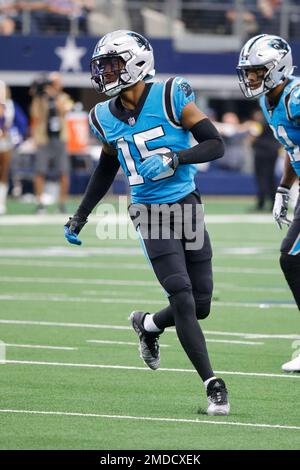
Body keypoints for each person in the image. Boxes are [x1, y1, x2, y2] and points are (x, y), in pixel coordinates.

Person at [64, 30, 230, 415]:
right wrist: (81, 215)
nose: (104, 72)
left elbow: (215, 144)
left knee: (201, 304)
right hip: (148, 213)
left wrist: (176, 158)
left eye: (112, 64)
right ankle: (212, 385)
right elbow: (107, 166)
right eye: (102, 65)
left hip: (187, 205)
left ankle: (148, 325)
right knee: (183, 298)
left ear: (137, 63)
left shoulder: (171, 95)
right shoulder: (102, 115)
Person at [237, 34, 300, 372]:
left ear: (277, 69)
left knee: (292, 257)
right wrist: (283, 189)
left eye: (256, 71)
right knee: (292, 258)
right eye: (247, 72)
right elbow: (294, 150)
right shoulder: (268, 101)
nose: (250, 78)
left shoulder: (296, 98)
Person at [30, 72, 73, 213]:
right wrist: (38, 94)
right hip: (44, 138)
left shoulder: (64, 97)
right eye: (52, 83)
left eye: (56, 82)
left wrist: (54, 96)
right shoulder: (41, 98)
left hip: (60, 138)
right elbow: (34, 114)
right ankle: (40, 204)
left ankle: (61, 204)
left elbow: (65, 109)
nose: (54, 85)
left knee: (64, 172)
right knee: (40, 171)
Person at [0, 80, 15, 214]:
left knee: (4, 172)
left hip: (4, 140)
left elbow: (10, 123)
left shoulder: (9, 105)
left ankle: (1, 202)